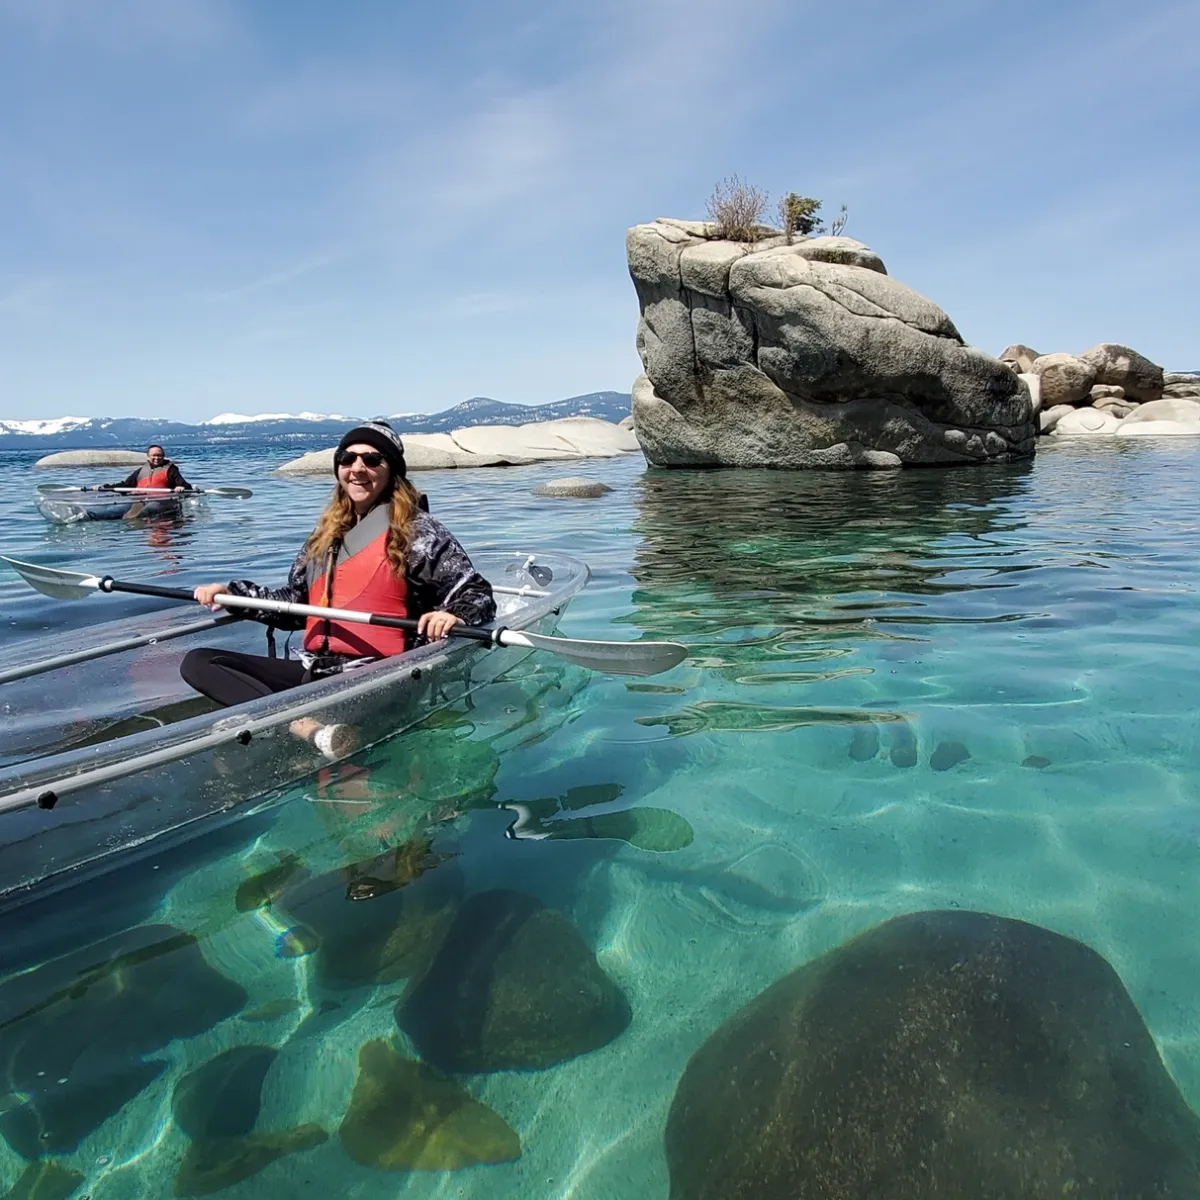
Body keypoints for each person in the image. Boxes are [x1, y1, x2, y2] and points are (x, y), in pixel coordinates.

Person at [179, 420, 495, 757]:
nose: (357, 468)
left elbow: (476, 594)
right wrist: (232, 595)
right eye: (347, 458)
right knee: (198, 663)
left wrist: (453, 616)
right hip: (316, 669)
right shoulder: (325, 536)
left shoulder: (418, 532)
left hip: (381, 677)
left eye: (372, 460)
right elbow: (294, 603)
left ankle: (282, 722)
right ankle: (302, 725)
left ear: (391, 472)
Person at [91, 444, 192, 493]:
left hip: (163, 502)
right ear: (148, 456)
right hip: (141, 500)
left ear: (163, 456)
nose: (157, 458)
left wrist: (181, 487)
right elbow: (126, 485)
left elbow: (186, 486)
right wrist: (104, 487)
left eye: (160, 455)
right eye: (154, 455)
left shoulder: (171, 470)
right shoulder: (141, 471)